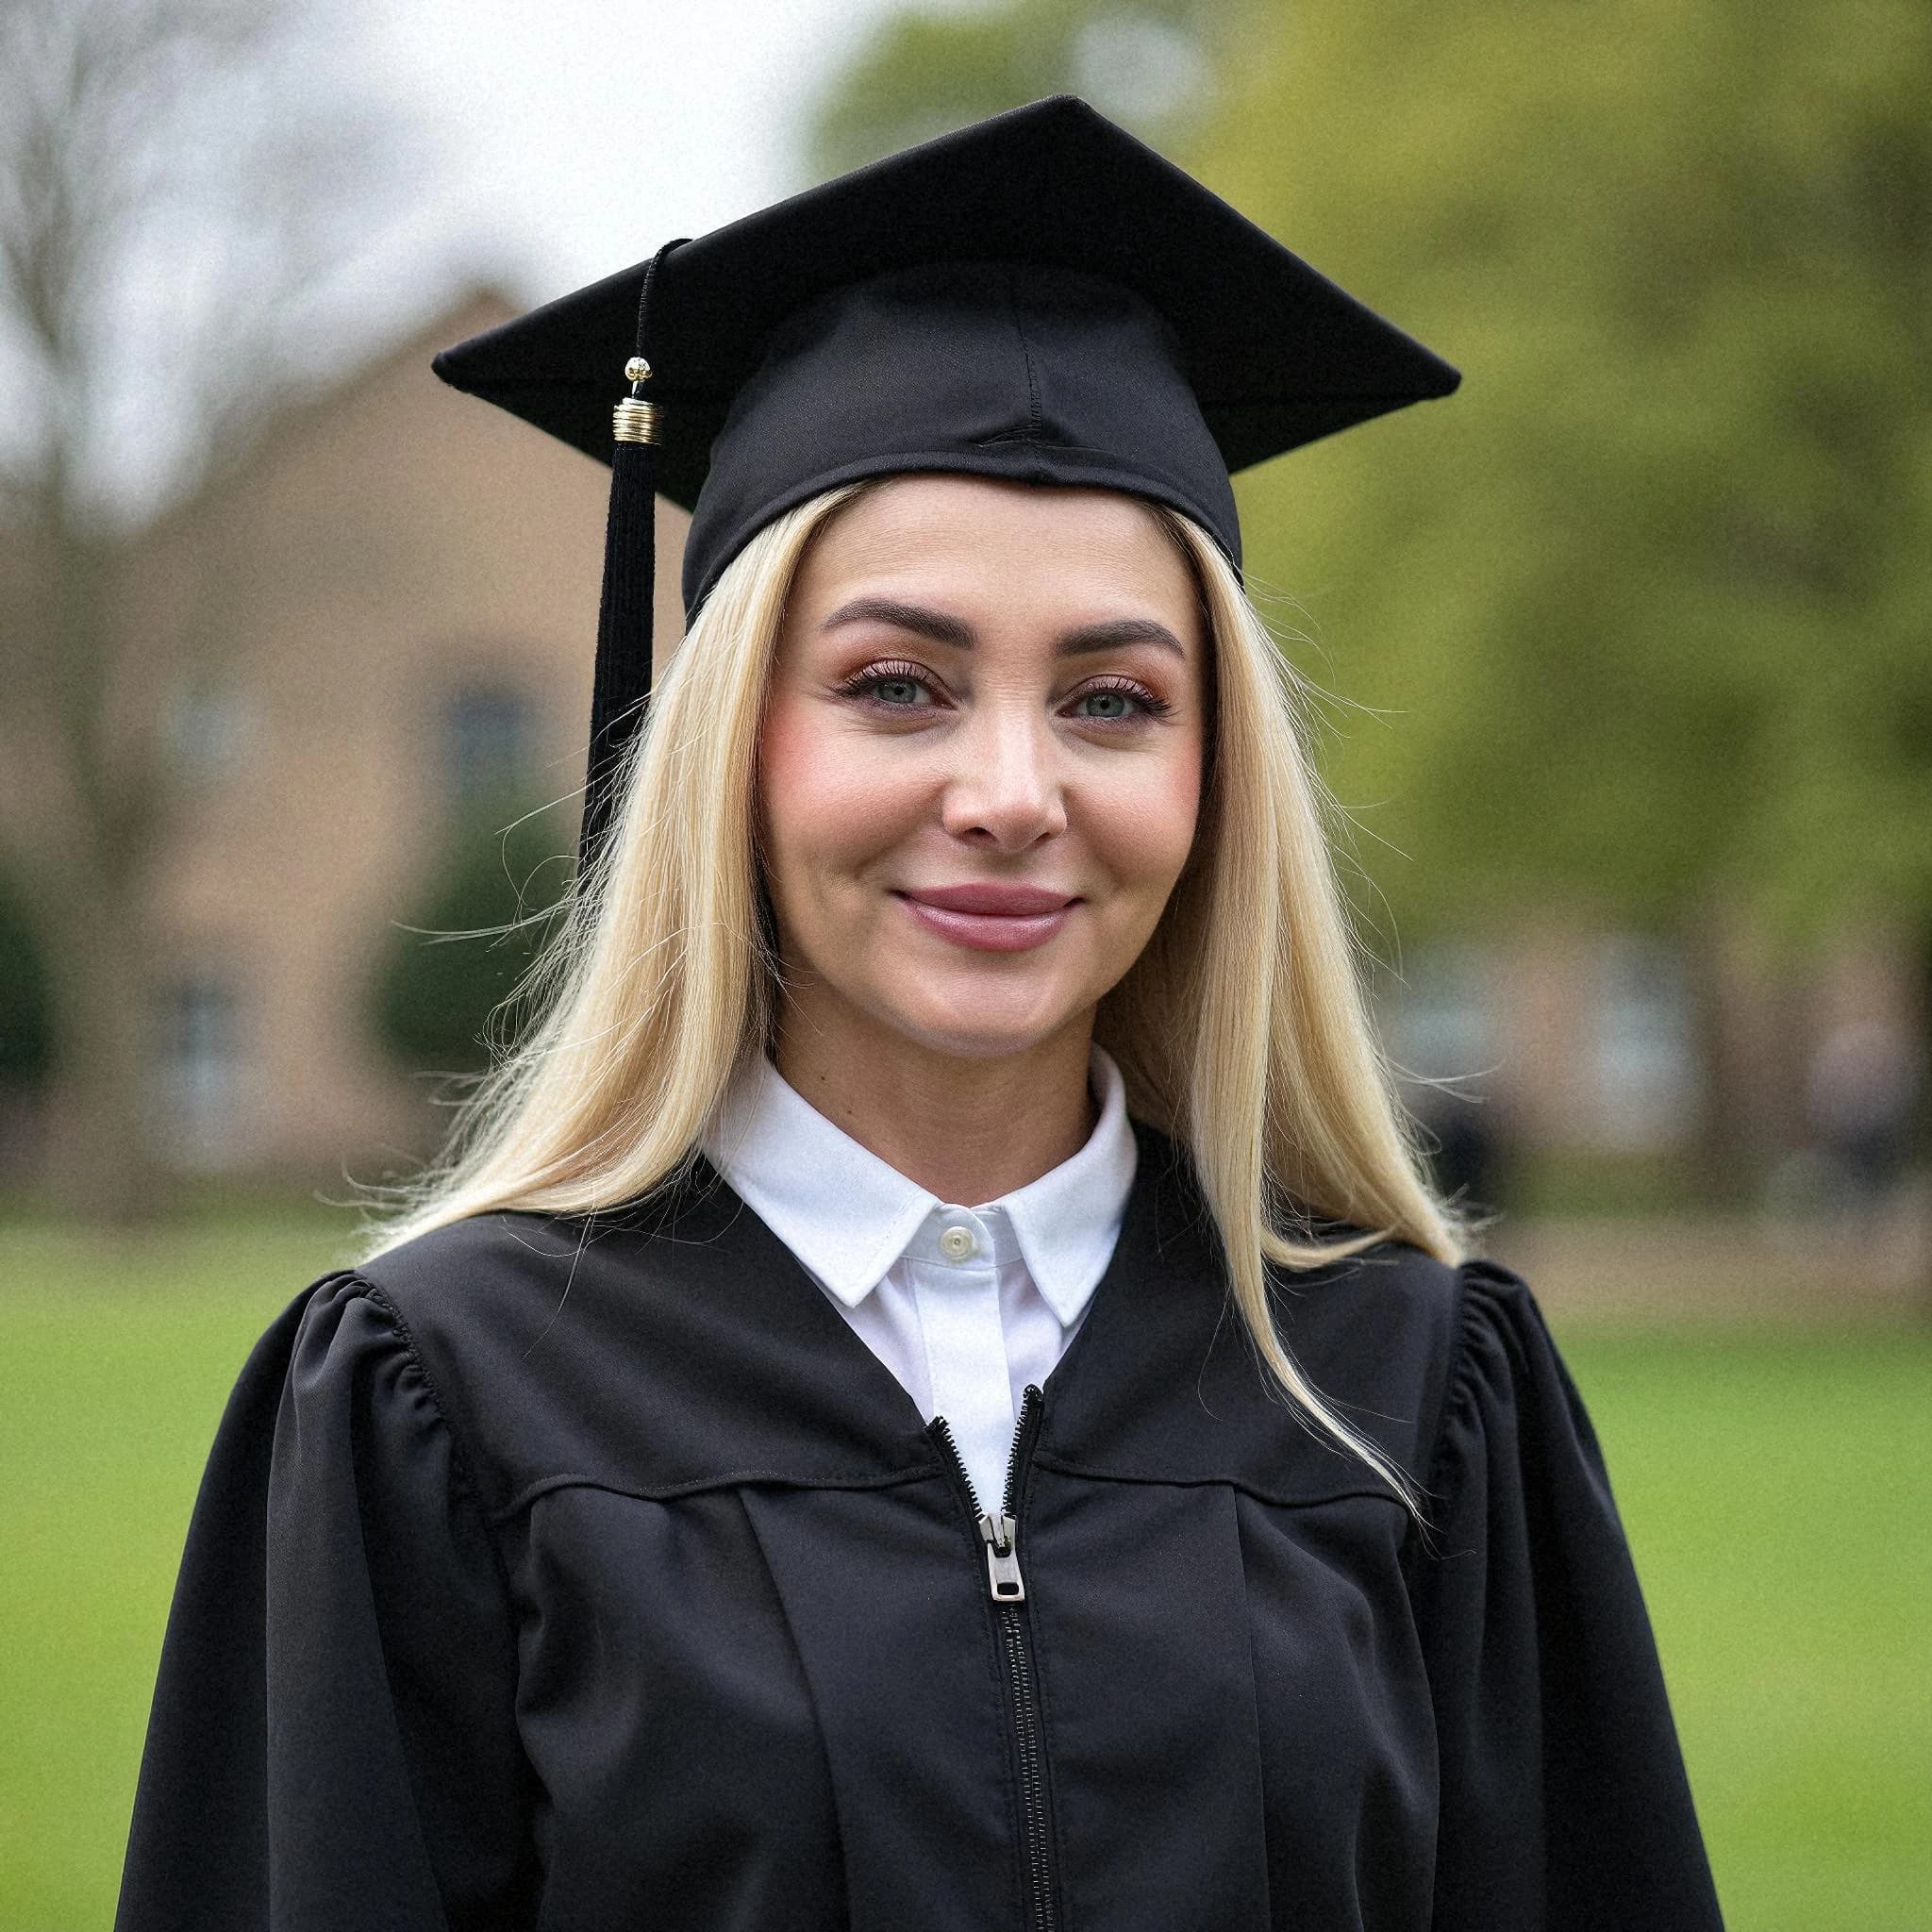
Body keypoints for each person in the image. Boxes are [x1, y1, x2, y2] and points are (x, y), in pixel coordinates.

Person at [114, 96, 1725, 1931]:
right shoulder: (446, 1397)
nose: (1013, 788)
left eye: (1113, 699)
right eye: (899, 683)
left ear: (1214, 774)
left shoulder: (1407, 1390)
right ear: (733, 743)